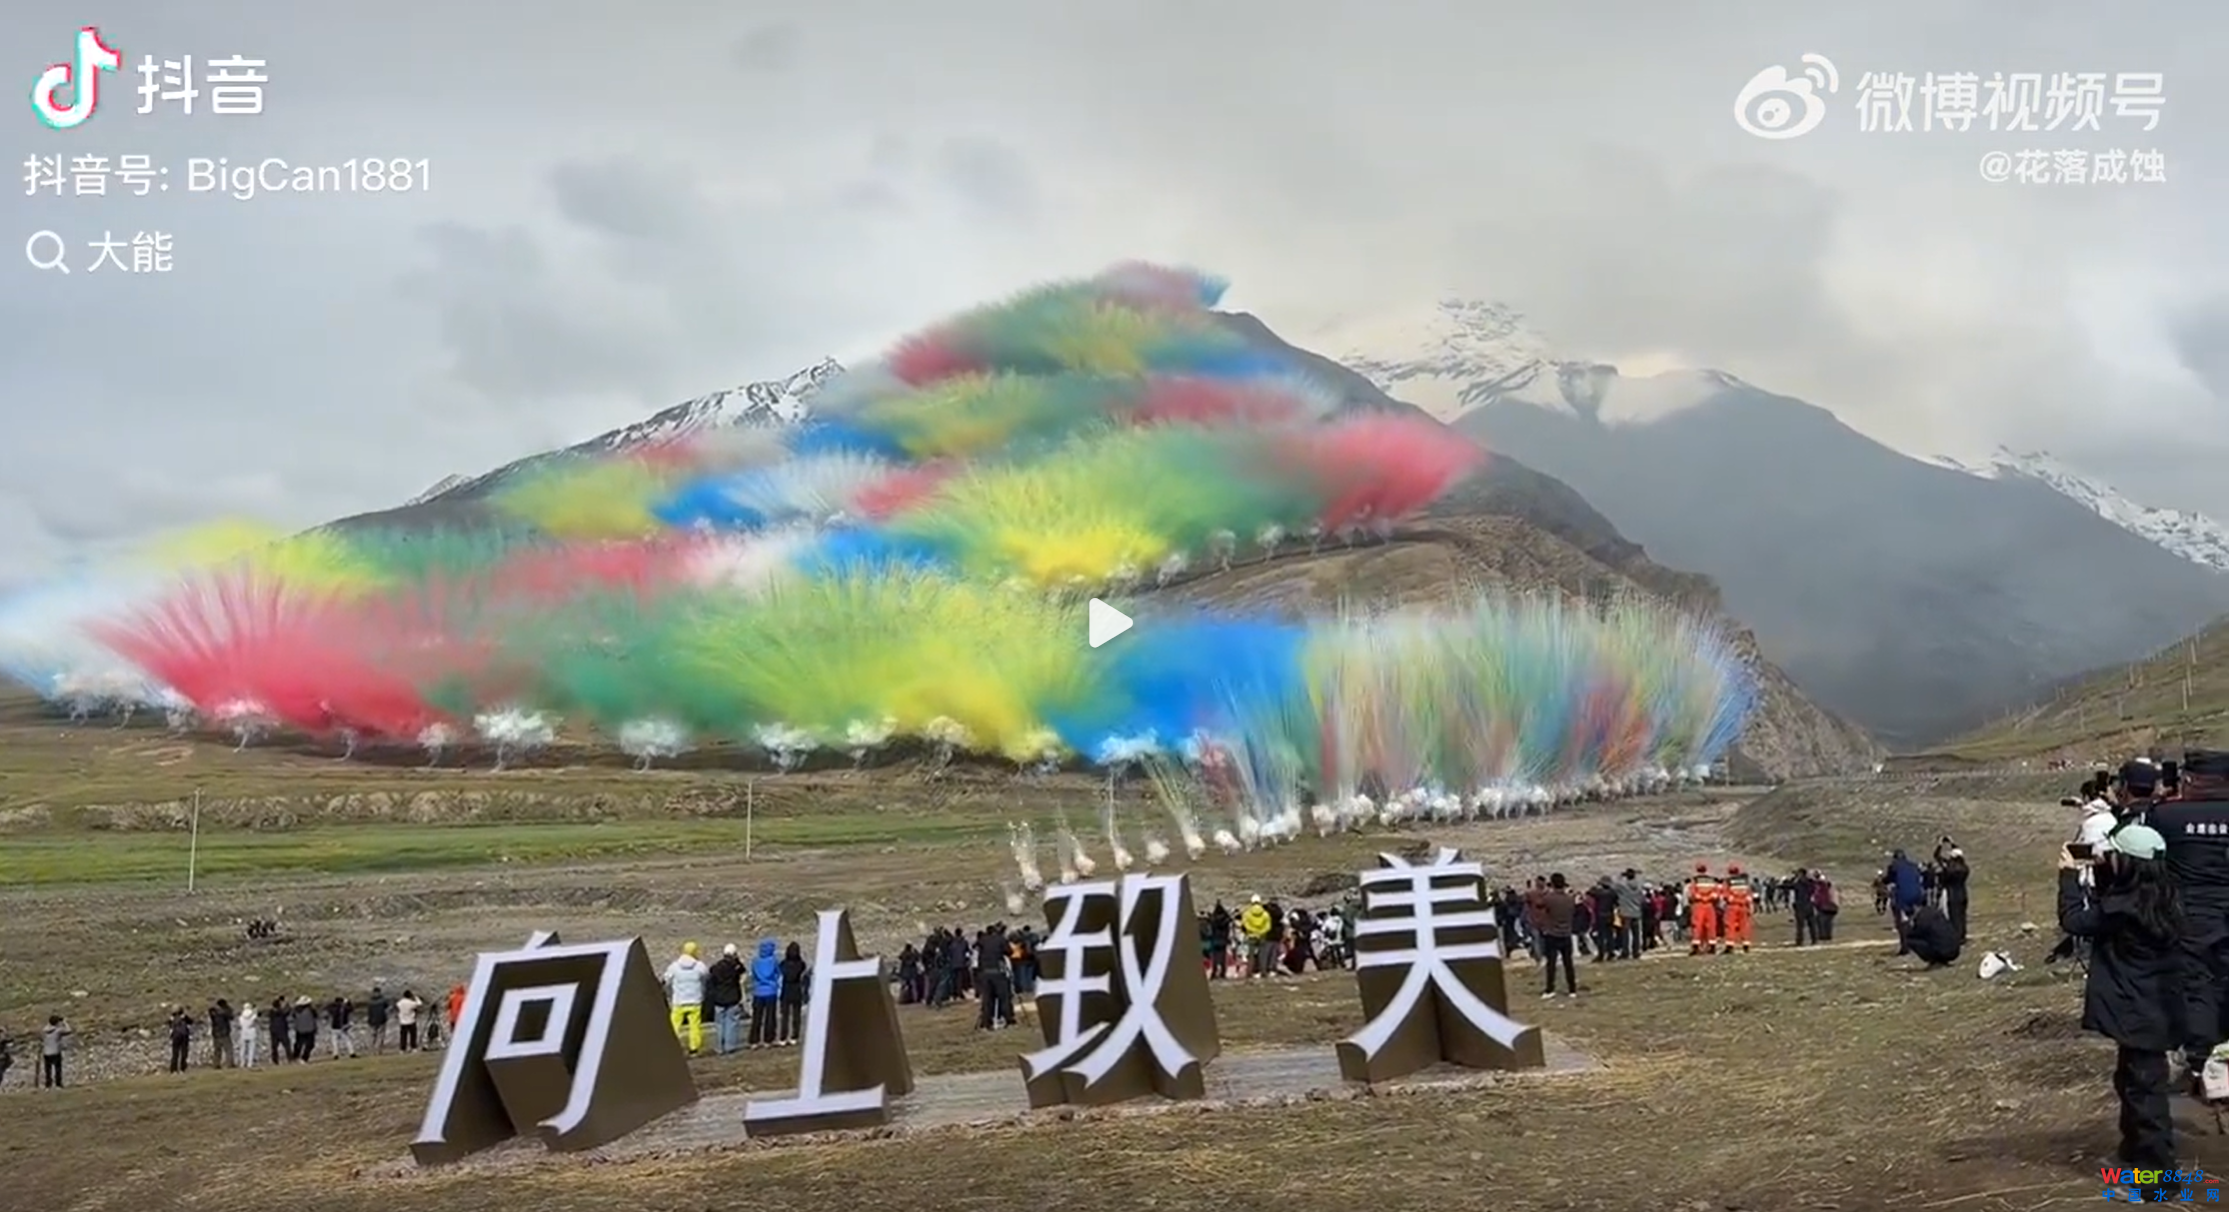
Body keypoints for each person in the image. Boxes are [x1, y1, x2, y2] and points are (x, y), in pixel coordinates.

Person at [2058, 824, 2183, 1202]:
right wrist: (2105, 870)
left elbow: (2074, 921)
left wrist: (2067, 877)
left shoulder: (2124, 907)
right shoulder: (2163, 893)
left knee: (2146, 1099)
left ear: (2128, 863)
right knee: (2131, 1083)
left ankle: (2158, 1184)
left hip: (2139, 1013)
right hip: (2153, 1010)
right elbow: (2116, 899)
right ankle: (2133, 1155)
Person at [2142, 750, 2229, 1078]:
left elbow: (2152, 865)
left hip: (2189, 912)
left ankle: (2200, 1055)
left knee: (2197, 984)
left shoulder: (2166, 815)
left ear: (2190, 780)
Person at [1536, 873, 1579, 998]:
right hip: (1566, 933)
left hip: (1552, 934)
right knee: (1568, 963)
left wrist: (1546, 891)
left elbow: (1538, 904)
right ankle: (1572, 989)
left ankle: (1550, 989)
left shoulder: (1549, 898)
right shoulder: (1569, 899)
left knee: (1551, 964)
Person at [663, 941, 709, 1055]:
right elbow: (706, 977)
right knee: (694, 1026)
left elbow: (666, 979)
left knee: (674, 1025)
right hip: (695, 1000)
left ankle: (670, 1046)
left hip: (679, 1000)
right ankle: (694, 1048)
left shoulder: (674, 966)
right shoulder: (699, 966)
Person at [707, 944, 746, 1055]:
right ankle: (730, 1046)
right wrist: (737, 960)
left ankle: (720, 1047)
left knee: (719, 1024)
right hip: (733, 998)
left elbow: (711, 979)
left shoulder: (716, 967)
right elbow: (742, 970)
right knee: (732, 1023)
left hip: (719, 998)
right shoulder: (735, 967)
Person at [1885, 849, 1925, 954]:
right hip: (1917, 895)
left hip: (1903, 896)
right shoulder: (1914, 866)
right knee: (1914, 919)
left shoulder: (1894, 867)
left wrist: (1881, 881)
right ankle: (1917, 943)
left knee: (1901, 922)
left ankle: (1905, 946)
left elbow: (1888, 879)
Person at [747, 939, 781, 1048]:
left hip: (758, 991)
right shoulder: (773, 960)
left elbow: (753, 974)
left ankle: (754, 1040)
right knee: (770, 1017)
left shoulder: (755, 961)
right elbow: (778, 973)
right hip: (771, 991)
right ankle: (768, 1039)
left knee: (757, 1017)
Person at [1937, 844, 1972, 944]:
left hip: (1952, 895)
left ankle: (1956, 937)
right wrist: (1953, 844)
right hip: (1963, 894)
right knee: (1962, 916)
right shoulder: (1965, 868)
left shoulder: (1950, 869)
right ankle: (1962, 936)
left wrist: (1940, 845)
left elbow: (1937, 857)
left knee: (1954, 917)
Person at [778, 940, 810, 1044]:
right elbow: (803, 976)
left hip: (786, 990)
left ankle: (783, 1037)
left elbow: (781, 975)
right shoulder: (801, 964)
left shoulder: (783, 964)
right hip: (796, 990)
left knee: (785, 1015)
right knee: (796, 1015)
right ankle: (794, 1036)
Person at [40, 1015, 69, 1088]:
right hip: (55, 1051)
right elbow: (69, 1030)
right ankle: (58, 1083)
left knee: (48, 1070)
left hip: (46, 1052)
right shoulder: (58, 1031)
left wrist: (49, 1023)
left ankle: (48, 1084)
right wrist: (65, 1022)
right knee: (58, 1069)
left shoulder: (44, 1031)